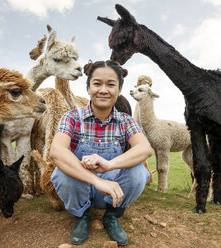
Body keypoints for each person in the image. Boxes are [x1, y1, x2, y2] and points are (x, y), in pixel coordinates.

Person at [49, 60, 153, 246]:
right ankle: (81, 216)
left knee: (139, 172)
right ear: (88, 88)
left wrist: (110, 165)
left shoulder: (125, 121)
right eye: (97, 83)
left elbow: (145, 148)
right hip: (81, 185)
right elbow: (56, 151)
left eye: (111, 84)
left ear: (119, 90)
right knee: (61, 171)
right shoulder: (72, 117)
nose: (103, 90)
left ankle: (112, 216)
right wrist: (97, 180)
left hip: (113, 188)